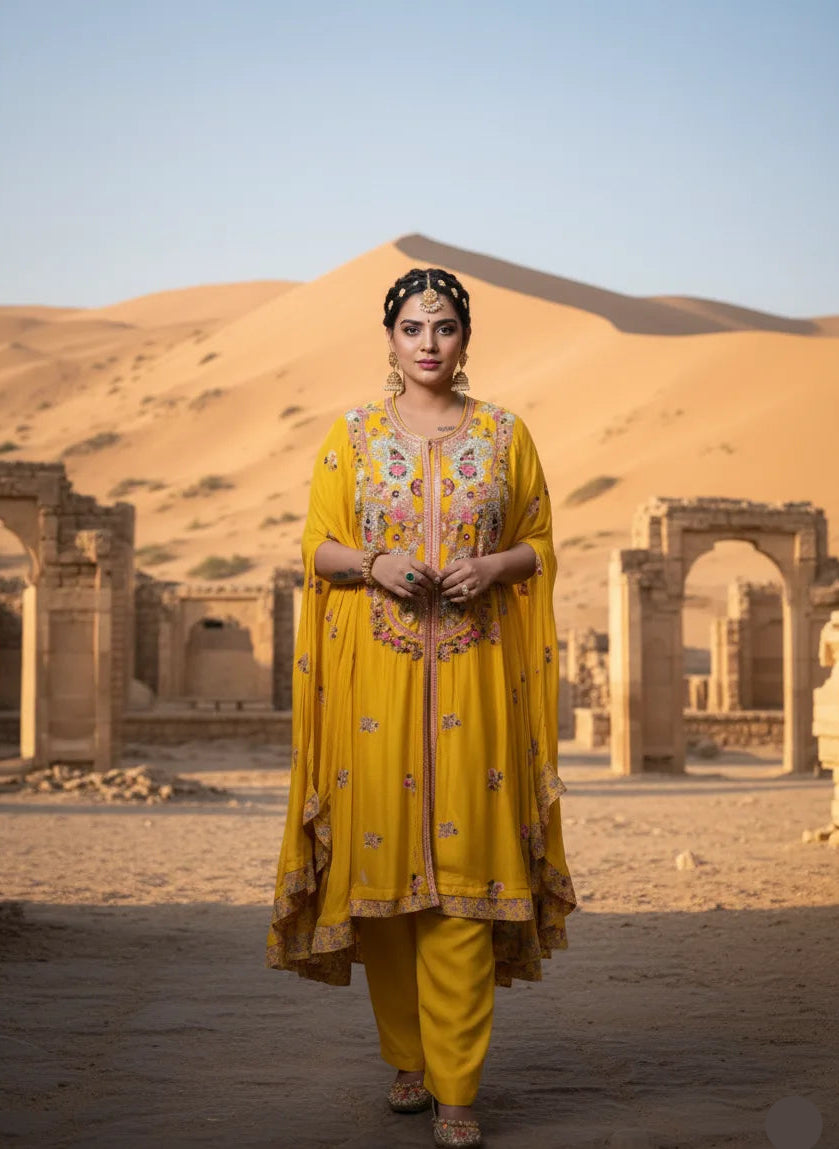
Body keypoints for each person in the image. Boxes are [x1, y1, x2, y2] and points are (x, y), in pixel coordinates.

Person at [267, 267, 577, 1147]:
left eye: (444, 327)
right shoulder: (352, 437)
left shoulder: (506, 436)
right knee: (385, 889)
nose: (429, 343)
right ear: (390, 339)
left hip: (476, 679)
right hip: (375, 681)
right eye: (412, 327)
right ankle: (407, 1057)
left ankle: (457, 1088)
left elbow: (539, 542)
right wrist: (373, 563)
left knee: (466, 890)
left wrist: (493, 566)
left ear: (466, 338)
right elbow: (315, 545)